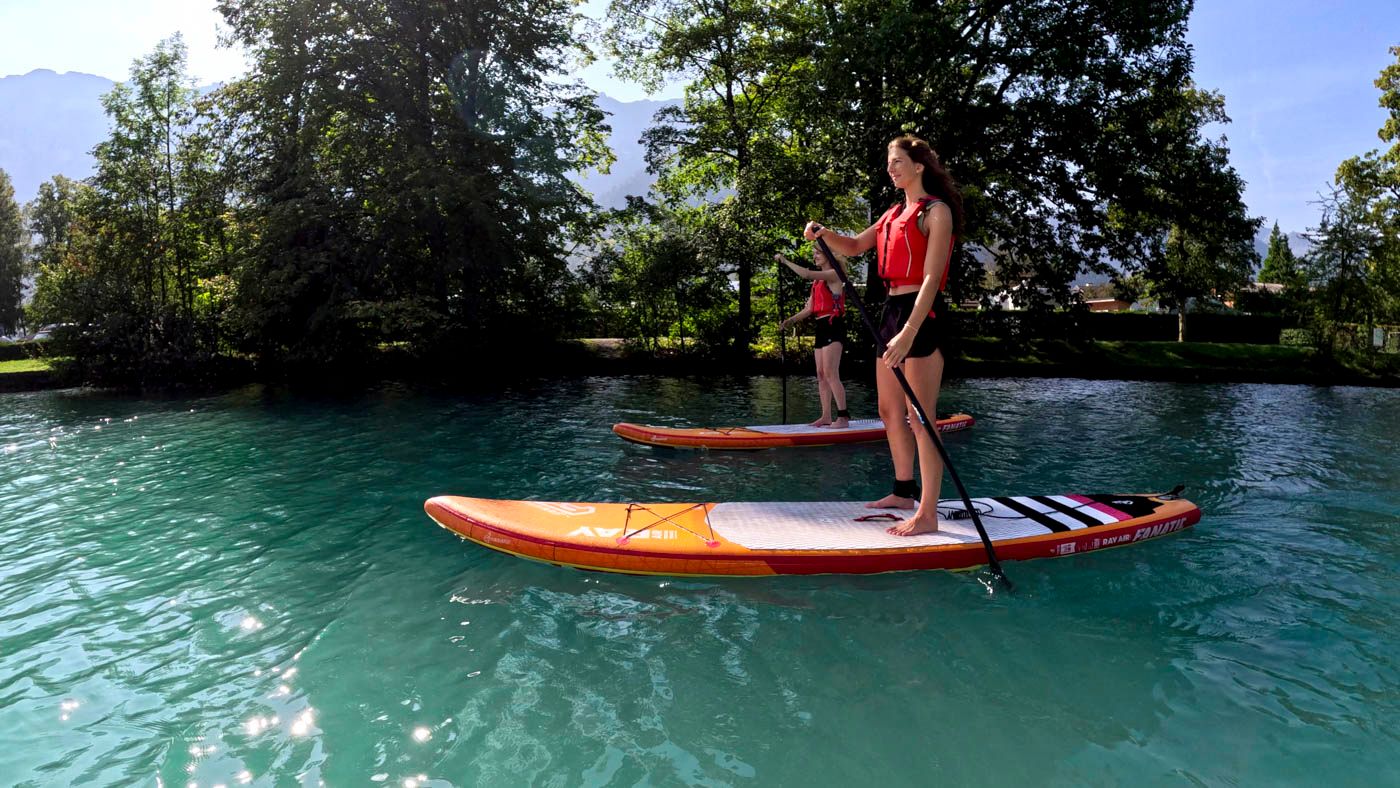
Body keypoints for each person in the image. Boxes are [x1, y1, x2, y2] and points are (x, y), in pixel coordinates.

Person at [803, 134, 963, 536]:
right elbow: (855, 246)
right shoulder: (892, 214)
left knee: (921, 416)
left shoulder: (936, 212)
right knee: (890, 411)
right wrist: (824, 233)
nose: (890, 168)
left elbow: (930, 278)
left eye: (896, 161)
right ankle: (902, 491)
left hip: (920, 314)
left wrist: (910, 331)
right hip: (890, 311)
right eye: (888, 162)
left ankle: (927, 513)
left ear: (919, 165)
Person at [777, 246, 850, 428]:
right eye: (814, 254)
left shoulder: (834, 274)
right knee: (821, 374)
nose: (815, 256)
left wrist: (785, 261)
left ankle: (843, 417)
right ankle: (826, 416)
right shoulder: (817, 284)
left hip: (833, 325)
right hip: (821, 326)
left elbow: (807, 274)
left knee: (831, 373)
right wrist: (790, 320)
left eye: (818, 253)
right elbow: (809, 309)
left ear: (828, 255)